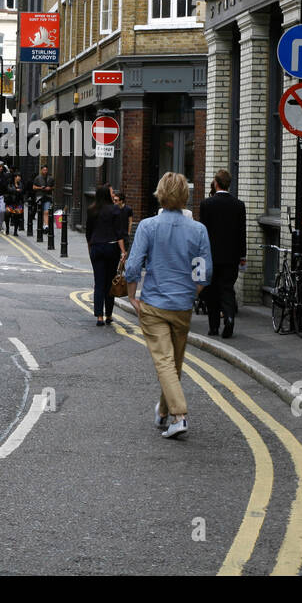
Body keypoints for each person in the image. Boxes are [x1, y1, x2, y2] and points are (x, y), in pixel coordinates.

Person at [125, 172, 211, 439]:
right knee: (173, 363)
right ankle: (164, 412)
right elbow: (203, 273)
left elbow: (132, 267)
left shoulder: (148, 226)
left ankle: (179, 416)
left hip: (153, 303)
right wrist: (191, 294)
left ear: (160, 193)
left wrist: (131, 296)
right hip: (182, 305)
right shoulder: (198, 229)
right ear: (185, 195)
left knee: (165, 361)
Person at [198, 169, 247, 338]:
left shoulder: (206, 204)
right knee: (227, 288)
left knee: (211, 292)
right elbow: (242, 233)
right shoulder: (239, 205)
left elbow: (202, 233)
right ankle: (230, 317)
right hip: (231, 257)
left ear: (216, 183)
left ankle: (213, 328)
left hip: (211, 257)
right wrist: (242, 255)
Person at [86, 184, 129, 325]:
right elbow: (119, 233)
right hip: (111, 248)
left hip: (96, 248)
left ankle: (99, 316)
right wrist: (123, 252)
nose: (113, 194)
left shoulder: (92, 210)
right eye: (111, 192)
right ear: (106, 194)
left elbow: (88, 233)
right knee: (110, 283)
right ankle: (109, 315)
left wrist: (90, 250)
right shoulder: (115, 210)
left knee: (99, 283)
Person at [32, 164, 55, 230]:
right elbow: (33, 187)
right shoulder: (37, 178)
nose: (45, 171)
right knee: (40, 212)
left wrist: (50, 188)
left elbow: (54, 187)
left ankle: (46, 226)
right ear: (41, 170)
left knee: (46, 211)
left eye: (46, 170)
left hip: (48, 197)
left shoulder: (51, 178)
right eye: (44, 170)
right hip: (40, 197)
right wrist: (40, 188)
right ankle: (41, 226)